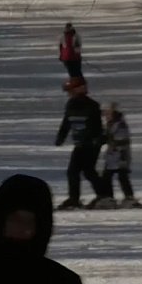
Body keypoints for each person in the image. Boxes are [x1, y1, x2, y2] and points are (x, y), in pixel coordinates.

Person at [55, 77, 113, 210]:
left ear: (81, 89)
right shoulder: (70, 104)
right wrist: (61, 137)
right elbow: (66, 122)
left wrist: (97, 139)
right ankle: (80, 198)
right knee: (77, 171)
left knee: (85, 171)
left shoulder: (91, 105)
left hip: (91, 144)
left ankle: (102, 196)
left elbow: (96, 126)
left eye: (71, 91)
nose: (69, 94)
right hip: (80, 144)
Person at [101, 103, 142, 209]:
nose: (106, 116)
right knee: (107, 176)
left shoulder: (120, 125)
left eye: (108, 113)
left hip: (120, 155)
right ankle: (109, 197)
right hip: (112, 155)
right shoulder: (110, 124)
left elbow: (121, 139)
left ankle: (128, 197)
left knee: (122, 176)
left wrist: (111, 142)